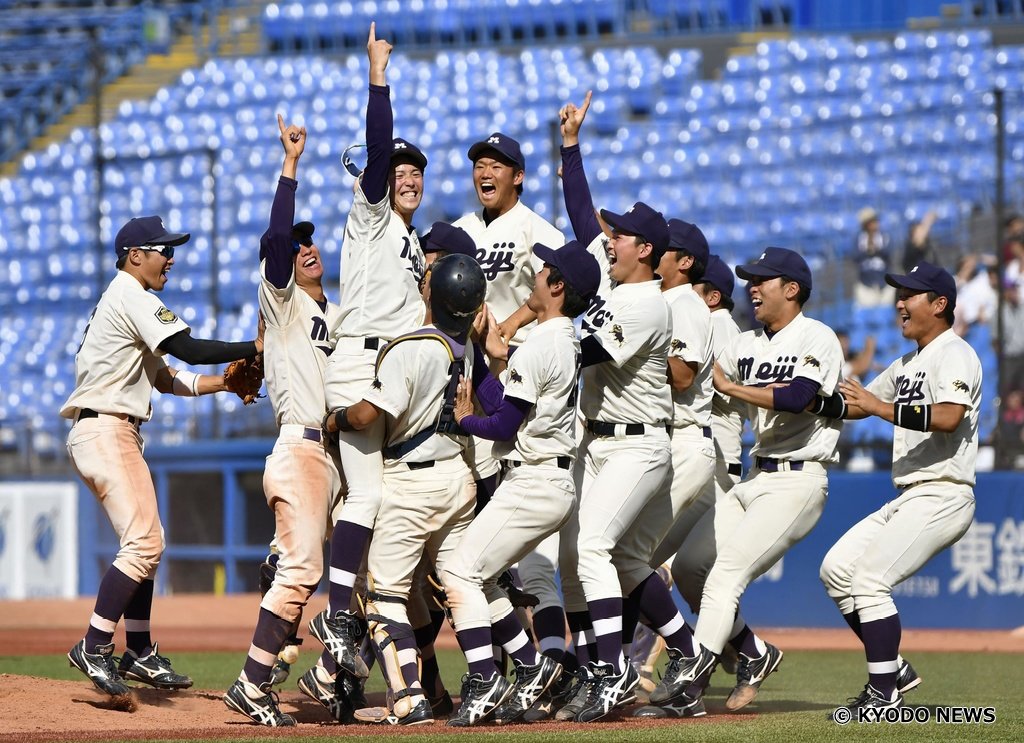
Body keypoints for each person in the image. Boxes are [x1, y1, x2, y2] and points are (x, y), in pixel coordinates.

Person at [62, 215, 263, 698]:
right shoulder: (133, 295)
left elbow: (166, 377)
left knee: (147, 543)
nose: (170, 257)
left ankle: (140, 651)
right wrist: (256, 346)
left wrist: (225, 383)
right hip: (107, 428)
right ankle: (93, 646)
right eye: (162, 249)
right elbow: (190, 349)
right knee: (145, 545)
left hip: (108, 429)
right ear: (136, 255)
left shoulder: (122, 300)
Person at [646, 248, 844, 718]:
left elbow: (798, 397)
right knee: (692, 568)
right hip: (756, 477)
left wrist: (733, 389)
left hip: (799, 480)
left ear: (791, 289)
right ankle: (753, 652)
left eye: (763, 280)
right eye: (749, 280)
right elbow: (694, 380)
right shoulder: (745, 343)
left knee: (726, 577)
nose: (752, 287)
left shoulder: (817, 336)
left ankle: (691, 681)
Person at [552, 91, 684, 724]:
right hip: (601, 442)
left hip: (637, 442)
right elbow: (584, 224)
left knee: (594, 550)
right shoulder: (612, 280)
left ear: (646, 251)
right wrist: (571, 148)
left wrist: (539, 337)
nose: (609, 237)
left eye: (621, 234)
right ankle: (686, 652)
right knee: (618, 559)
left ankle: (610, 672)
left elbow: (589, 355)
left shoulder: (647, 304)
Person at [222, 116, 351, 727]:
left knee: (333, 570)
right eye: (297, 245)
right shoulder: (285, 301)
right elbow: (276, 239)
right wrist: (290, 166)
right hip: (300, 447)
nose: (306, 246)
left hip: (336, 457)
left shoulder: (340, 308)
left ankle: (310, 670)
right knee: (303, 569)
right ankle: (254, 679)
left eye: (310, 239)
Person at [322, 253, 487, 726]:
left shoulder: (410, 346)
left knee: (383, 595)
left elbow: (365, 415)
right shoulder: (467, 345)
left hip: (411, 481)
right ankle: (484, 676)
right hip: (456, 477)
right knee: (459, 580)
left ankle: (409, 696)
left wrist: (333, 419)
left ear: (432, 295)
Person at [441, 240, 601, 726]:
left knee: (459, 573)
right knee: (483, 576)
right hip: (550, 479)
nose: (535, 274)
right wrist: (494, 356)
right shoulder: (563, 337)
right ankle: (534, 669)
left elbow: (501, 425)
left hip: (532, 479)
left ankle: (487, 680)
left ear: (558, 287)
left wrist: (465, 419)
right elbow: (511, 401)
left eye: (544, 269)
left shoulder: (540, 345)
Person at [315, 24, 429, 681]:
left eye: (416, 169)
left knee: (382, 502)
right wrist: (378, 74)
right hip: (360, 363)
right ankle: (337, 613)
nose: (406, 175)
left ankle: (345, 652)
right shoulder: (371, 213)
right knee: (366, 497)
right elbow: (381, 147)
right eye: (398, 169)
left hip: (391, 373)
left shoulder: (410, 243)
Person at [817, 262, 979, 713]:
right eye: (899, 293)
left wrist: (879, 406)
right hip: (911, 494)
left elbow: (949, 417)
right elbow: (857, 406)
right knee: (837, 571)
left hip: (944, 492)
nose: (900, 303)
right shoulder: (908, 362)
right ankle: (896, 668)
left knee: (869, 581)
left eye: (910, 294)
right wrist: (808, 400)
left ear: (939, 303)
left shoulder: (956, 353)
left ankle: (882, 693)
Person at [453, 130, 565, 506]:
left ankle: (507, 564)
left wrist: (514, 321)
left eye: (495, 165)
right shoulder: (461, 229)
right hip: (465, 361)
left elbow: (564, 288)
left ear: (517, 176)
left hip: (512, 364)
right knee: (464, 464)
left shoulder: (535, 228)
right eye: (479, 165)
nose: (485, 172)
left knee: (499, 463)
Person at [853, 207, 893, 307]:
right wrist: (867, 249)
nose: (875, 224)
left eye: (875, 221)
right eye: (871, 222)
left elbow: (889, 253)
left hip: (884, 282)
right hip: (866, 283)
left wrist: (878, 248)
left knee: (885, 313)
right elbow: (855, 257)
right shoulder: (859, 238)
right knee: (865, 314)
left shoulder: (884, 236)